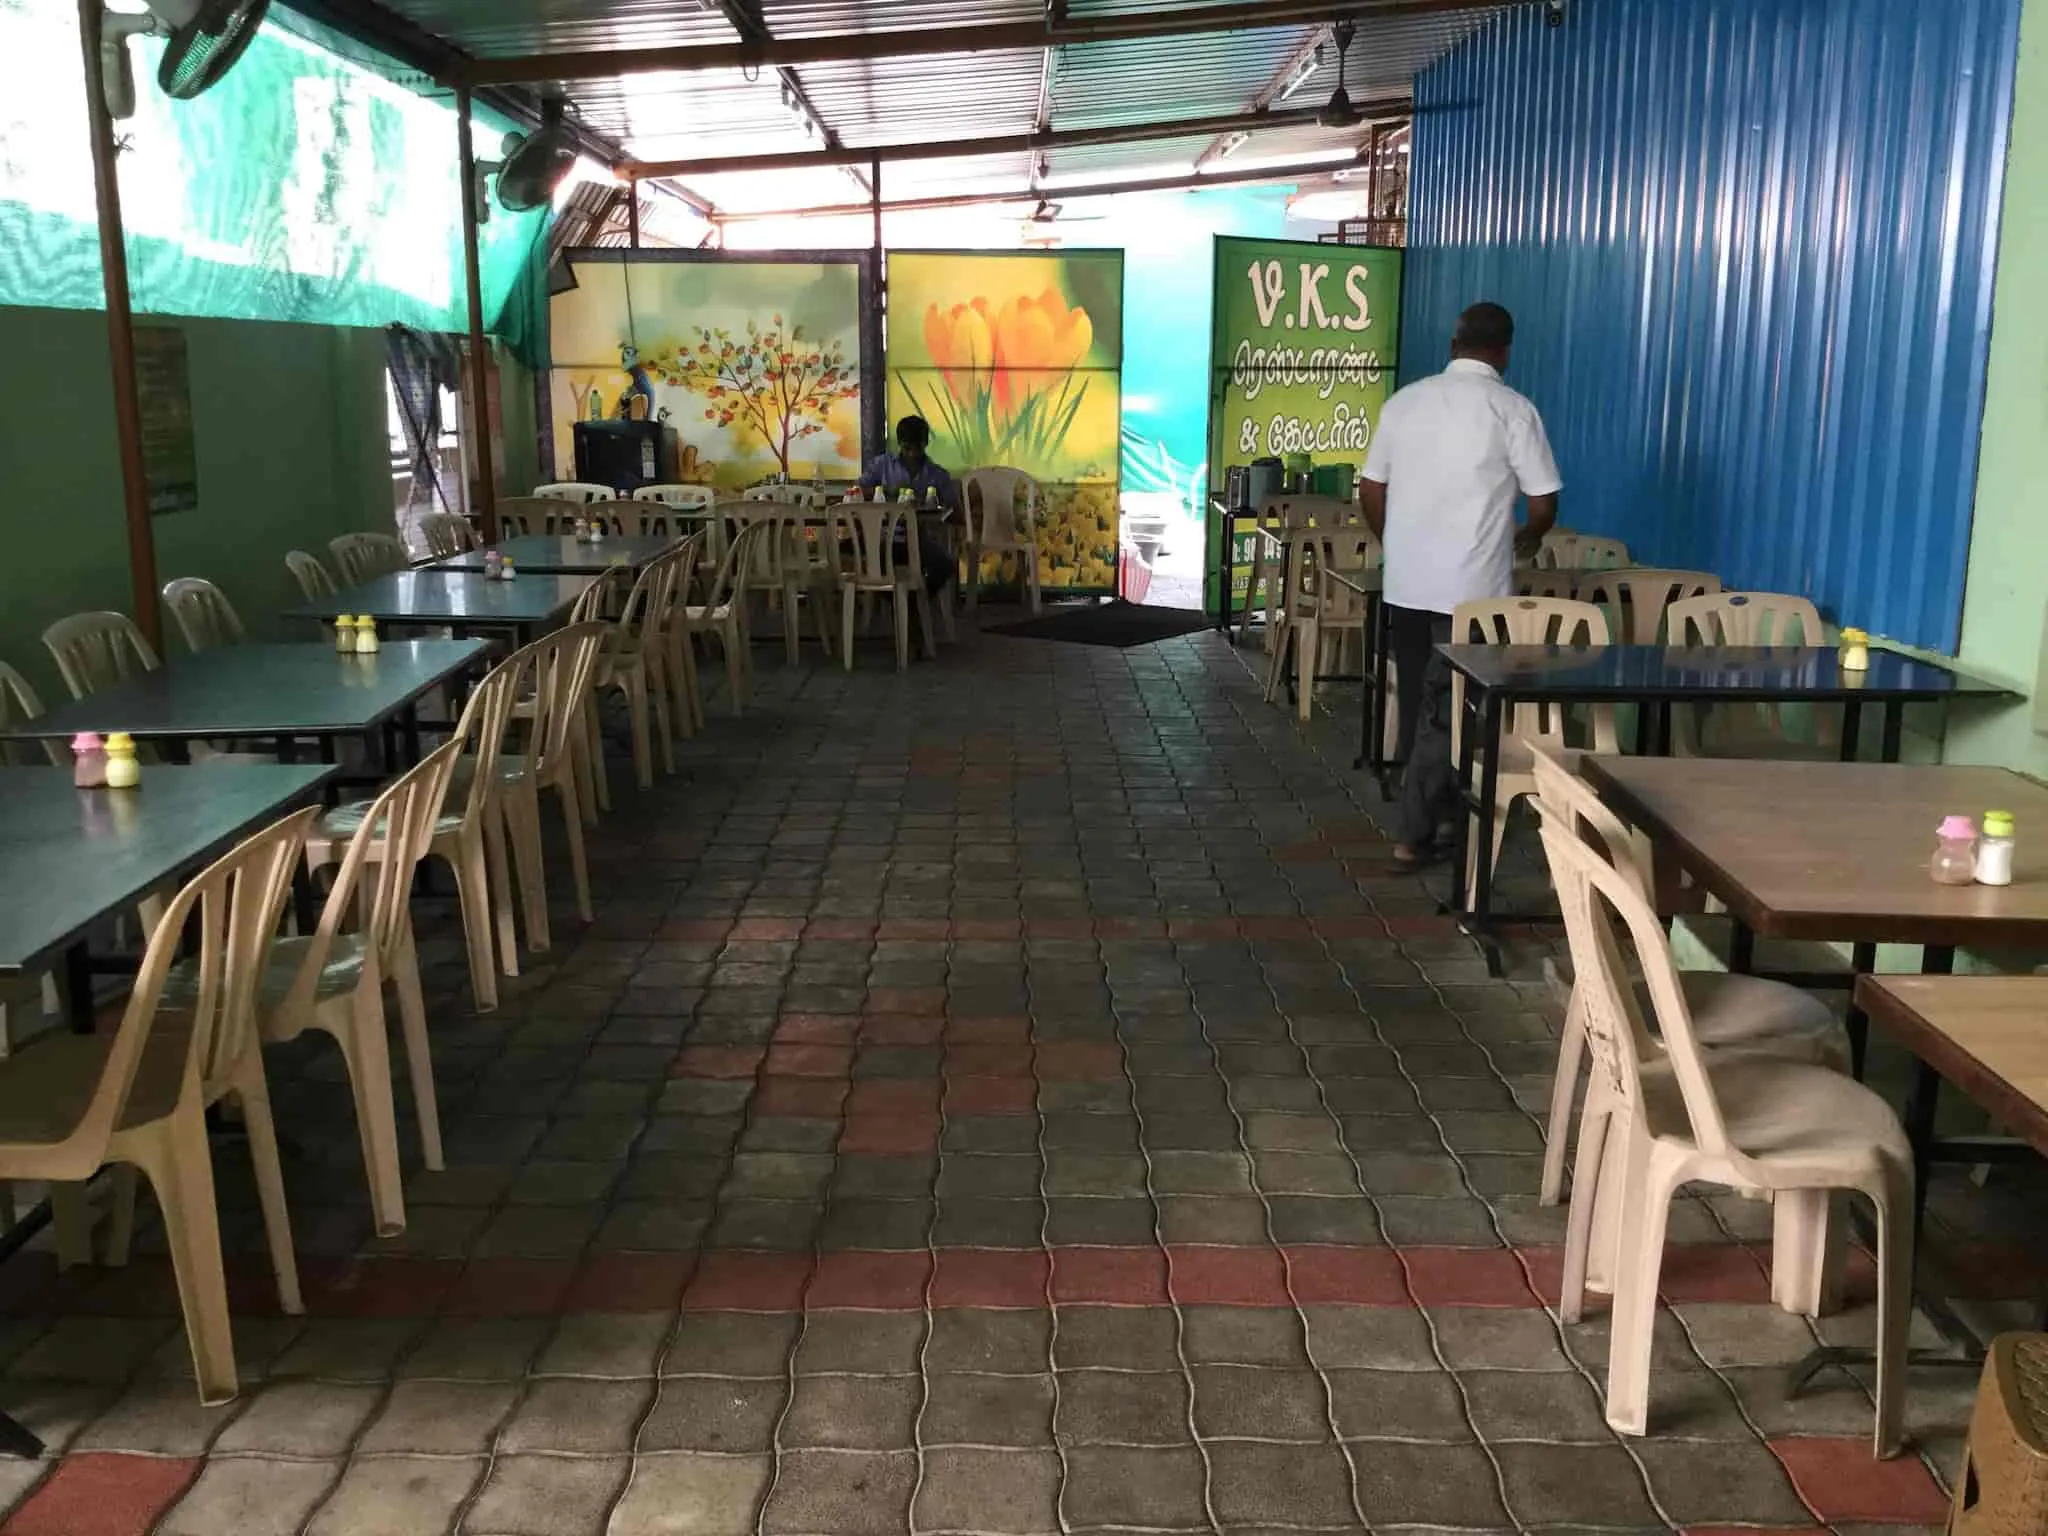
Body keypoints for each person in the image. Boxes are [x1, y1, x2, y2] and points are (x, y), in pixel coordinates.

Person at [1359, 301, 1561, 866]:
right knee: (1450, 709)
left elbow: (1370, 489)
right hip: (1472, 592)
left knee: (1421, 699)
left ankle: (1435, 811)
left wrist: (1393, 543)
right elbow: (1543, 502)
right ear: (1505, 352)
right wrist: (1528, 536)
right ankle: (1413, 833)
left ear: (1453, 346)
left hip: (1406, 586)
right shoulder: (1513, 410)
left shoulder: (1404, 403)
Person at [860, 415, 962, 600]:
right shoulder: (882, 466)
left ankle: (916, 602)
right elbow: (858, 491)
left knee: (944, 565)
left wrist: (933, 507)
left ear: (925, 443)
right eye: (907, 449)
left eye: (918, 449)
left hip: (922, 540)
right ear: (899, 444)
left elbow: (955, 510)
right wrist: (886, 493)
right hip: (885, 539)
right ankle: (900, 604)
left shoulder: (937, 475)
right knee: (873, 566)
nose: (912, 455)